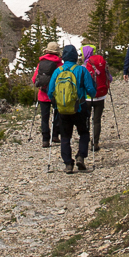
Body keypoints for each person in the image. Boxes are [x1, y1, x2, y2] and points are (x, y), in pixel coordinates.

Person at [47, 44, 93, 172]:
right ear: (75, 57)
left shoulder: (58, 71)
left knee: (65, 136)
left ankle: (68, 163)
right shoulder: (82, 70)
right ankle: (81, 156)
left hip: (63, 109)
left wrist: (57, 102)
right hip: (80, 108)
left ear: (64, 57)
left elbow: (50, 91)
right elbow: (91, 90)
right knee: (83, 133)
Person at [82, 41, 111, 154]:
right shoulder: (100, 62)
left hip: (87, 97)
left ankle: (86, 140)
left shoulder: (84, 66)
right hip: (100, 96)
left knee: (86, 119)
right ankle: (95, 143)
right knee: (97, 120)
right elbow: (110, 78)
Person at [33, 40, 61, 146]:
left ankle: (45, 139)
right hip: (55, 95)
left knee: (44, 117)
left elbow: (34, 78)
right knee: (57, 114)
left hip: (43, 94)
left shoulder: (41, 63)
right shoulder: (59, 64)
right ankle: (55, 135)